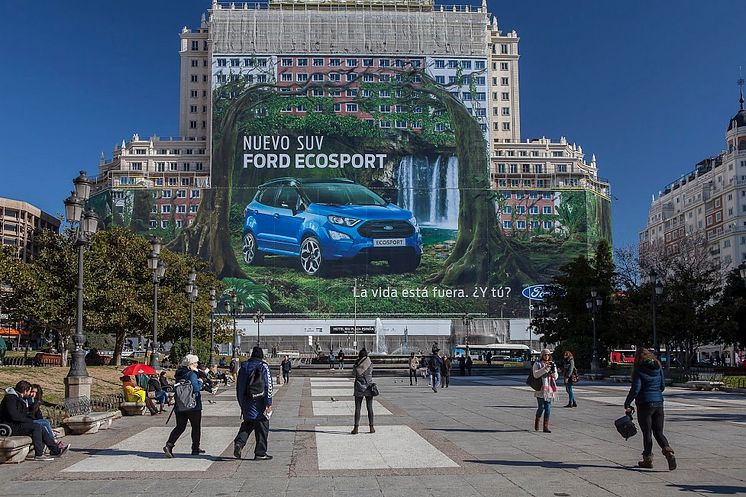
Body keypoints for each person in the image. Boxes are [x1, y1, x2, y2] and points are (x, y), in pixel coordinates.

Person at [624, 348, 676, 470]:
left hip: (644, 404)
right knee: (658, 432)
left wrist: (627, 403)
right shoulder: (658, 368)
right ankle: (669, 452)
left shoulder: (639, 370)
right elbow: (662, 386)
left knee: (647, 433)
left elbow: (635, 389)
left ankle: (647, 460)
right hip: (659, 403)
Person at [0, 380, 69, 461]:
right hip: (9, 427)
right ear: (25, 390)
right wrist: (29, 421)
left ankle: (55, 450)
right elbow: (14, 416)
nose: (30, 394)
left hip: (17, 424)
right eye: (29, 391)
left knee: (39, 426)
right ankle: (39, 454)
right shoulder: (10, 399)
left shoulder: (19, 398)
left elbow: (23, 414)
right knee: (36, 427)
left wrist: (29, 419)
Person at [234, 346, 274, 460]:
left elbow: (239, 386)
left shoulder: (244, 366)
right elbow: (268, 386)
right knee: (262, 427)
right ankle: (260, 453)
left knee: (248, 424)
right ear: (261, 355)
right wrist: (268, 403)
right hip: (259, 402)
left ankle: (239, 443)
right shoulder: (263, 366)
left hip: (247, 401)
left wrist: (241, 403)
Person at [163, 354, 204, 457]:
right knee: (195, 427)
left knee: (180, 426)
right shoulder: (192, 374)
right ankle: (195, 448)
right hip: (193, 405)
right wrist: (200, 382)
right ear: (190, 364)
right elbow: (196, 388)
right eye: (195, 363)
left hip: (180, 404)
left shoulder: (179, 374)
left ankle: (169, 445)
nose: (197, 365)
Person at [28, 384, 67, 454]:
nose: (33, 394)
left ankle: (55, 445)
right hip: (29, 422)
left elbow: (40, 414)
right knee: (45, 422)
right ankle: (55, 443)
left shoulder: (37, 402)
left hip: (35, 422)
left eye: (36, 393)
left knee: (45, 423)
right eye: (32, 392)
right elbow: (29, 415)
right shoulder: (29, 401)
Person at [532, 349, 558, 433]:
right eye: (545, 355)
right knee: (541, 407)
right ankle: (537, 421)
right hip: (540, 389)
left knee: (548, 408)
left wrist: (552, 371)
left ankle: (545, 427)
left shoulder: (552, 364)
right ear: (542, 355)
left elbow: (556, 377)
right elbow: (535, 375)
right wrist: (545, 369)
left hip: (550, 389)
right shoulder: (537, 364)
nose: (546, 356)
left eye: (548, 355)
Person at [351, 348, 375, 434]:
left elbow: (353, 374)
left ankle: (356, 428)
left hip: (359, 388)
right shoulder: (370, 364)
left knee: (358, 408)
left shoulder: (357, 365)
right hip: (369, 387)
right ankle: (371, 427)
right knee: (370, 408)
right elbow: (371, 372)